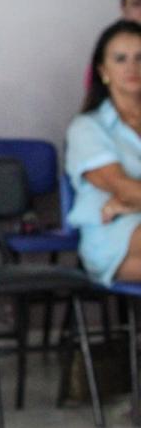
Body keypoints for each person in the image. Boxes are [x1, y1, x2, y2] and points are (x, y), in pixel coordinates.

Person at [66, 19, 141, 285]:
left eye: (140, 58)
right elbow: (121, 186)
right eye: (120, 59)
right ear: (103, 70)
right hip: (115, 234)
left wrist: (131, 200)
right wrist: (128, 200)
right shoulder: (86, 128)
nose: (132, 67)